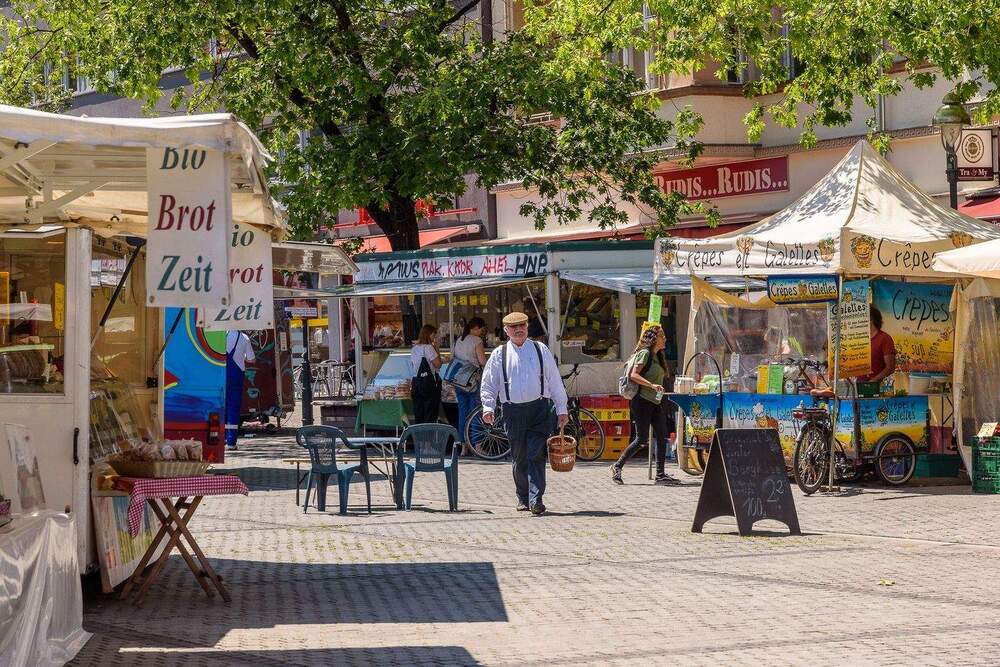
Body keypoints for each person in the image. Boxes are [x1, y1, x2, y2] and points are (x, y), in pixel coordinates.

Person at [480, 311, 568, 516]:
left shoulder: (540, 349)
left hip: (539, 409)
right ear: (506, 330)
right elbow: (489, 383)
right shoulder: (499, 354)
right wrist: (488, 407)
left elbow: (554, 380)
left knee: (536, 454)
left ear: (527, 327)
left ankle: (536, 499)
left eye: (522, 326)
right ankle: (523, 497)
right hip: (512, 411)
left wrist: (562, 408)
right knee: (519, 457)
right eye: (514, 327)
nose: (519, 330)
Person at [610, 324, 679, 485]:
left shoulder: (657, 356)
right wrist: (652, 385)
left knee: (661, 436)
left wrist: (658, 388)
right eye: (662, 336)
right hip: (642, 401)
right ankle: (617, 466)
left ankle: (660, 474)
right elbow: (634, 375)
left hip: (655, 402)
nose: (665, 339)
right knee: (641, 439)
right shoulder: (645, 353)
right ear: (654, 339)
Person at [453, 317, 488, 455]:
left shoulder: (459, 340)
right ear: (476, 328)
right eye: (481, 330)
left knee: (463, 413)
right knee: (476, 412)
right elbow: (482, 361)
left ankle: (464, 447)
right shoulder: (476, 340)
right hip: (472, 380)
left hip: (458, 380)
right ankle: (477, 445)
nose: (481, 332)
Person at [225, 330, 255, 451]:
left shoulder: (220, 335)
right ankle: (231, 442)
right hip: (236, 376)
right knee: (233, 408)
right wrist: (241, 356)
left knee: (221, 406)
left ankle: (221, 439)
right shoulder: (244, 338)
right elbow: (251, 359)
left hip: (220, 375)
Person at [410, 324, 442, 424]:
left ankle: (419, 433)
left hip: (416, 383)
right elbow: (438, 364)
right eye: (433, 335)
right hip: (429, 383)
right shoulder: (428, 348)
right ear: (428, 334)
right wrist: (437, 348)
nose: (434, 337)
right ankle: (428, 433)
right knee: (430, 413)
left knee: (419, 412)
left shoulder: (414, 348)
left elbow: (413, 365)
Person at [858, 307, 896, 384]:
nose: (858, 322)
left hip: (876, 386)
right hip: (857, 384)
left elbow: (890, 367)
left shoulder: (885, 338)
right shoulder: (859, 338)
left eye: (861, 318)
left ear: (871, 320)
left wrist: (873, 380)